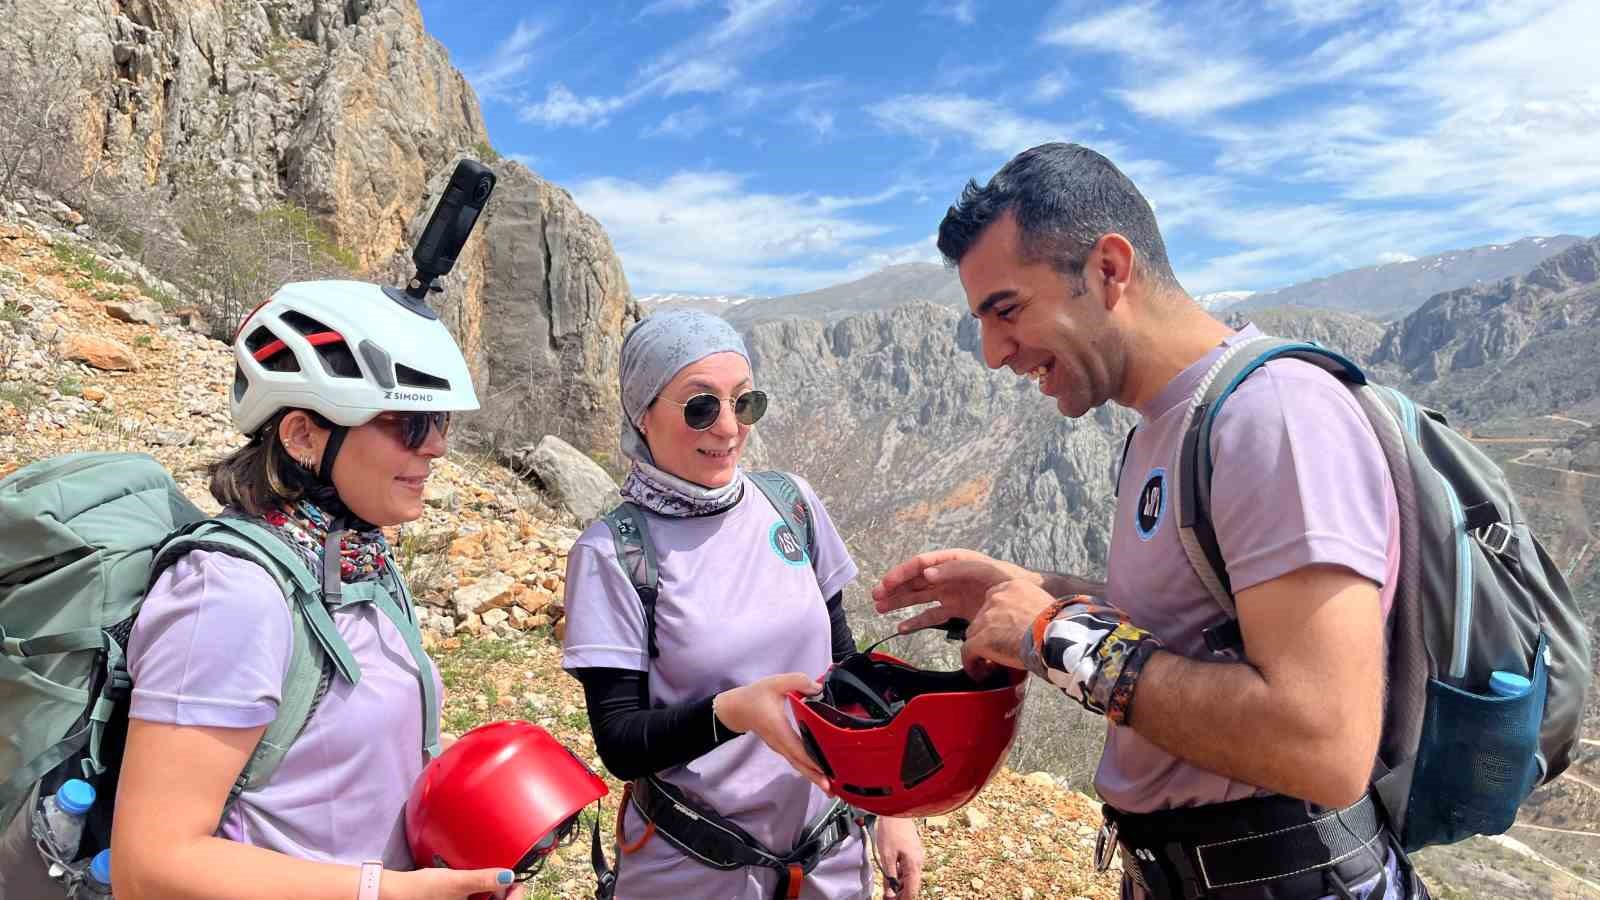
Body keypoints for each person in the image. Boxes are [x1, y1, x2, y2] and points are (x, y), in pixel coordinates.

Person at [873, 143, 1422, 899]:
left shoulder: (1275, 417)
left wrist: (1049, 636)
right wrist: (1032, 589)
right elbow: (1203, 625)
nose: (994, 353)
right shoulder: (1166, 425)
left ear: (1108, 270)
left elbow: (1323, 742)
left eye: (1006, 310)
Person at [109, 281, 522, 900]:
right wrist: (386, 893)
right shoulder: (227, 595)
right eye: (411, 423)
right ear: (303, 436)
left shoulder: (354, 562)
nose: (436, 446)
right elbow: (150, 866)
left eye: (440, 422)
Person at [561, 310, 923, 899]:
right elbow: (620, 741)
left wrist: (892, 808)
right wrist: (732, 711)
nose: (729, 429)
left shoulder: (790, 505)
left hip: (829, 857)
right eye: (700, 406)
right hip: (692, 871)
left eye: (744, 403)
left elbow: (847, 668)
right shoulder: (614, 553)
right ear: (642, 414)